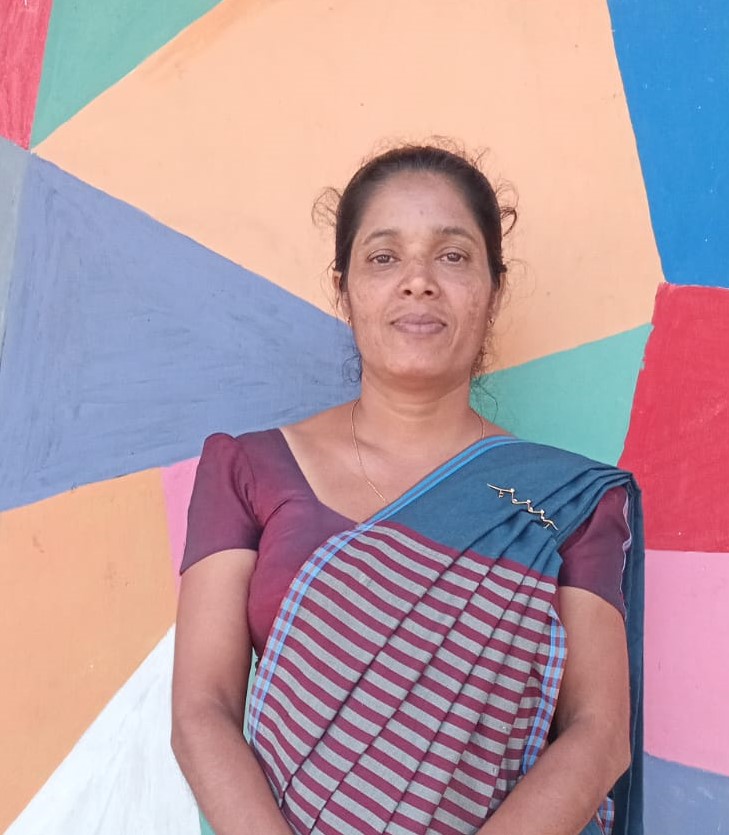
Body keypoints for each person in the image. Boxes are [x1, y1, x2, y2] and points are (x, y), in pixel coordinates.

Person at [171, 144, 644, 835]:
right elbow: (201, 711)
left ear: (494, 288)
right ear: (345, 288)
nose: (418, 282)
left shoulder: (565, 502)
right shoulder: (249, 469)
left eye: (452, 256)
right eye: (384, 257)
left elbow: (598, 732)